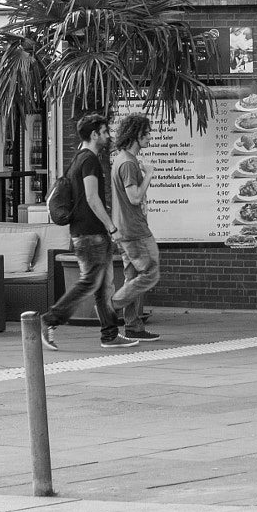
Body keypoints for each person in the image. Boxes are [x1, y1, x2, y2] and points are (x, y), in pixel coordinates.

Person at [39, 114, 135, 350]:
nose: (107, 136)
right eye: (104, 132)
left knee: (103, 287)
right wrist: (112, 228)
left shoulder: (77, 160)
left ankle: (110, 334)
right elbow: (92, 198)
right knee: (90, 283)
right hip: (90, 234)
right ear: (94, 134)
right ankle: (49, 319)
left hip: (85, 233)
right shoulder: (90, 160)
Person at [107, 113, 162, 343]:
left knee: (132, 276)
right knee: (150, 273)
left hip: (125, 227)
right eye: (146, 132)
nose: (150, 136)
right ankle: (110, 307)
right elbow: (134, 197)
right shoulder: (129, 163)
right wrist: (148, 174)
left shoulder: (121, 159)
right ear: (136, 135)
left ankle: (133, 326)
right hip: (133, 229)